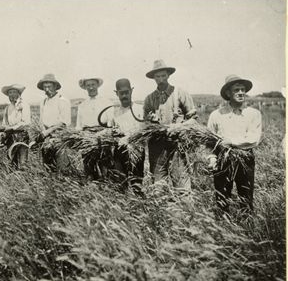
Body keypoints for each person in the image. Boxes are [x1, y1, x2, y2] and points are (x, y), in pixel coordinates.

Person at [207, 75, 262, 217]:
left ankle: (247, 229)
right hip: (222, 160)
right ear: (228, 93)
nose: (241, 92)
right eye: (236, 90)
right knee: (222, 198)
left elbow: (253, 139)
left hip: (245, 159)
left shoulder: (253, 114)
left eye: (243, 89)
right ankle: (224, 228)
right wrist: (212, 159)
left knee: (246, 197)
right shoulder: (216, 115)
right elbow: (210, 142)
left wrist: (231, 142)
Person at [143, 60, 198, 192]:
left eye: (163, 76)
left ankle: (184, 211)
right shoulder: (149, 99)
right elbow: (145, 124)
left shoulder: (180, 93)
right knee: (158, 187)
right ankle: (161, 211)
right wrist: (151, 123)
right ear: (153, 78)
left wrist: (178, 127)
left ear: (168, 75)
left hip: (177, 145)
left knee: (182, 186)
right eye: (157, 76)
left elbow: (194, 120)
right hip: (157, 147)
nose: (160, 79)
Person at [99, 78, 145, 191]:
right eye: (121, 93)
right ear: (116, 93)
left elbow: (143, 131)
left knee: (137, 184)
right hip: (119, 152)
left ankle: (139, 205)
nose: (124, 96)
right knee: (119, 183)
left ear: (131, 91)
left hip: (136, 151)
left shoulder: (140, 109)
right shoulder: (113, 111)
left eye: (126, 92)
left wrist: (127, 137)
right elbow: (109, 130)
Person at [37, 73, 71, 170]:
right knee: (48, 166)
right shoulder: (43, 102)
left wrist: (47, 132)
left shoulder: (62, 100)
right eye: (45, 87)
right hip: (46, 137)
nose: (47, 89)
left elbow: (63, 122)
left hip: (59, 136)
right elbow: (41, 119)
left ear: (55, 86)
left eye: (49, 87)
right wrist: (43, 131)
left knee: (61, 166)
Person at [1, 84, 31, 169]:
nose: (12, 94)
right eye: (10, 92)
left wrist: (12, 127)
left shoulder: (24, 105)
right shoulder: (7, 108)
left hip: (22, 135)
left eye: (14, 92)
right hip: (10, 136)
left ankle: (24, 179)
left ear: (18, 93)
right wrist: (3, 135)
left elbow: (26, 123)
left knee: (22, 163)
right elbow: (4, 123)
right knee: (11, 161)